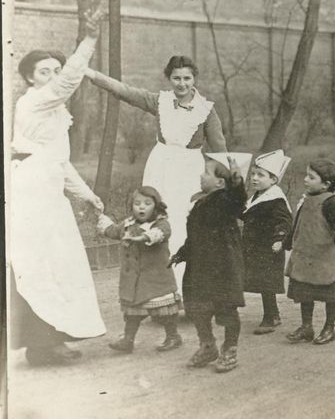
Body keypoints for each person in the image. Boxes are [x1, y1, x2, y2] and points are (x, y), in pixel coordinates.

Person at [9, 16, 106, 366]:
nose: (51, 77)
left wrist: (87, 194)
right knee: (38, 266)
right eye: (44, 72)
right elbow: (67, 84)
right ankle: (41, 344)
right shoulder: (32, 103)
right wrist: (90, 40)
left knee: (59, 265)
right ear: (29, 78)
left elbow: (60, 163)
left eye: (55, 70)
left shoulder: (53, 112)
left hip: (49, 193)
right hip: (31, 194)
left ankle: (48, 340)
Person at [85, 56, 227, 287]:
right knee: (157, 218)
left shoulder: (206, 111)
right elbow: (125, 91)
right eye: (176, 78)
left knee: (184, 221)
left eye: (187, 78)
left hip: (189, 171)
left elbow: (220, 149)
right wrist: (91, 74)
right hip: (160, 166)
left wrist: (227, 184)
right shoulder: (160, 101)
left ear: (194, 79)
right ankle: (159, 288)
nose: (181, 84)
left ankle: (187, 288)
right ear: (169, 78)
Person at [170, 154, 248, 373]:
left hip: (223, 267)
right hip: (200, 267)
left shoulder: (225, 200)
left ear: (220, 182)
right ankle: (207, 345)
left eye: (206, 172)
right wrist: (182, 253)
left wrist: (236, 180)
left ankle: (230, 349)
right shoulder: (200, 203)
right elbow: (194, 236)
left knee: (226, 309)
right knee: (197, 308)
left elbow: (238, 199)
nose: (201, 176)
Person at [96, 187, 182, 353]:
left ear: (156, 206)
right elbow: (113, 231)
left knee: (164, 312)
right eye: (137, 203)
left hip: (156, 279)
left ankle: (173, 336)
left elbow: (157, 235)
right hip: (134, 280)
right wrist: (100, 217)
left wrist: (139, 238)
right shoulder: (127, 225)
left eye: (147, 203)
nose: (141, 207)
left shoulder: (161, 224)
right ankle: (128, 340)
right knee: (132, 313)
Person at [285, 159, 335, 345]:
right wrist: (287, 242)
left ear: (326, 185)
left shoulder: (331, 202)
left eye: (311, 177)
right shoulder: (307, 199)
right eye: (306, 175)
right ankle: (307, 326)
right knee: (305, 291)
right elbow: (299, 223)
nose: (305, 179)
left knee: (331, 293)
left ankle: (329, 327)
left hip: (326, 258)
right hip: (306, 256)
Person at [242, 150, 292, 335]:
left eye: (260, 175)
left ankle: (270, 318)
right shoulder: (258, 196)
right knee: (263, 283)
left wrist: (280, 238)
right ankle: (273, 314)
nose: (254, 178)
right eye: (253, 174)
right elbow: (247, 214)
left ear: (273, 180)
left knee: (266, 283)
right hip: (256, 248)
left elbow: (284, 222)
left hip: (269, 247)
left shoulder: (275, 199)